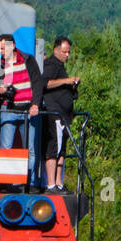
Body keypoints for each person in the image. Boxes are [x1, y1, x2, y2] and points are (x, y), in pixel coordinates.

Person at [0, 33, 45, 188]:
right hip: (8, 108)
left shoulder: (28, 60)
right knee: (6, 148)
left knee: (29, 148)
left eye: (3, 48)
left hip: (28, 109)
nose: (1, 51)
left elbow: (37, 83)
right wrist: (0, 91)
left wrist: (36, 104)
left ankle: (29, 182)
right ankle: (6, 182)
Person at [40, 35, 80, 191]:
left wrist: (72, 86)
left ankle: (59, 183)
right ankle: (50, 184)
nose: (67, 55)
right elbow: (45, 83)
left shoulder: (61, 67)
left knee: (61, 149)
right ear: (56, 50)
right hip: (53, 114)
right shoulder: (50, 65)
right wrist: (67, 81)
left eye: (69, 52)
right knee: (53, 148)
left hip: (64, 115)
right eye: (65, 52)